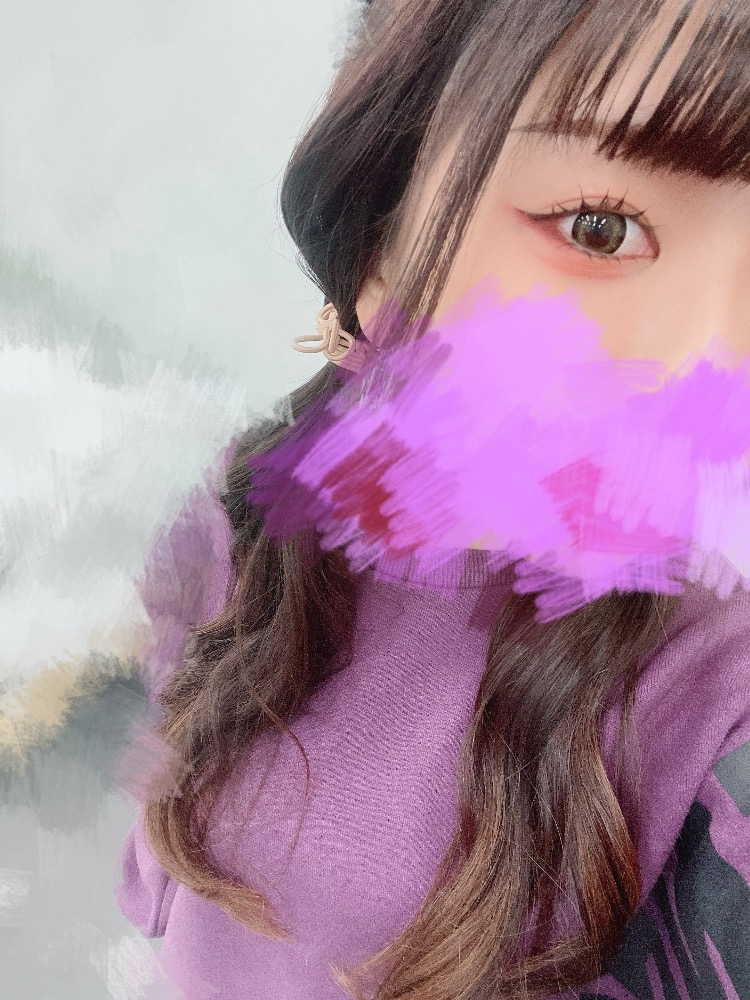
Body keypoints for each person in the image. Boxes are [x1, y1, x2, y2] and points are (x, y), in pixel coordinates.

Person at [115, 1, 750, 997]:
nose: (713, 361)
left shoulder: (718, 687)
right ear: (379, 237)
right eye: (600, 228)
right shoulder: (246, 491)